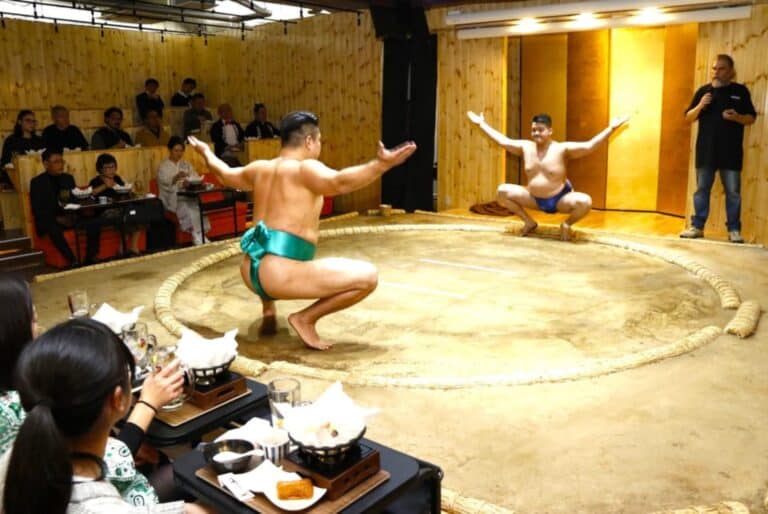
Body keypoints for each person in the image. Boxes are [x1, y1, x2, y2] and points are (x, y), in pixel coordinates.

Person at [188, 111, 416, 350]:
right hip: (279, 275)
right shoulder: (305, 169)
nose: (319, 146)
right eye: (319, 141)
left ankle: (268, 305)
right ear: (309, 141)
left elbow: (224, 174)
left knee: (269, 240)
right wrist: (381, 165)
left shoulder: (260, 168)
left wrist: (205, 152)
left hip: (249, 272)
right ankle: (305, 319)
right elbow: (340, 182)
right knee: (367, 277)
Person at [0, 274, 189, 507]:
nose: (40, 330)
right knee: (189, 474)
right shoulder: (11, 409)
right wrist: (147, 405)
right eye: (34, 320)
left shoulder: (19, 451)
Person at [467, 111, 629, 241]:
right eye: (533, 130)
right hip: (534, 198)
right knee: (502, 191)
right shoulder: (525, 147)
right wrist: (482, 124)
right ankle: (529, 222)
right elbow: (503, 141)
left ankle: (566, 225)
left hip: (560, 200)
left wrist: (611, 128)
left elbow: (589, 146)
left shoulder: (562, 149)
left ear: (550, 131)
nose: (536, 133)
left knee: (585, 201)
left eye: (540, 130)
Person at [680, 54, 757, 243]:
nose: (716, 72)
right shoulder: (703, 92)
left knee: (733, 193)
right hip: (706, 152)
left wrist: (736, 117)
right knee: (701, 190)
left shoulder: (740, 91)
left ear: (731, 71)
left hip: (730, 154)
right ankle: (697, 227)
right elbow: (688, 117)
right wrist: (700, 105)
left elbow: (751, 118)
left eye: (721, 69)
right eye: (714, 68)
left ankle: (734, 230)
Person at [30, 148, 101, 267]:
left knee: (94, 222)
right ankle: (73, 260)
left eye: (61, 161)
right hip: (50, 219)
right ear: (46, 164)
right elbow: (38, 210)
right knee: (53, 228)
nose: (60, 165)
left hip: (70, 215)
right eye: (56, 162)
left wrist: (74, 213)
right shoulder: (37, 182)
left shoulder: (68, 178)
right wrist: (57, 218)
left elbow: (74, 200)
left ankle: (90, 257)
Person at [157, 136, 210, 245]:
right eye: (176, 150)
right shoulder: (164, 166)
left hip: (187, 195)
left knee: (197, 205)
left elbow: (194, 177)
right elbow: (164, 184)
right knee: (186, 207)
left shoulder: (186, 164)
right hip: (171, 198)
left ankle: (199, 234)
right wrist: (176, 178)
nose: (179, 153)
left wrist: (189, 182)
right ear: (170, 150)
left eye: (181, 151)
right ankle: (197, 235)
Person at [88, 153, 141, 256]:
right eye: (107, 167)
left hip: (120, 208)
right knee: (125, 215)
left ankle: (133, 248)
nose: (111, 170)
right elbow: (90, 194)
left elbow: (123, 190)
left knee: (135, 213)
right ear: (100, 169)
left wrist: (128, 191)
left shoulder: (117, 178)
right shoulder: (95, 181)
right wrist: (105, 186)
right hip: (103, 212)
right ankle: (122, 249)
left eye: (112, 167)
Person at [0, 110, 46, 185]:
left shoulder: (39, 141)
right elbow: (5, 162)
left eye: (33, 121)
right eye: (28, 120)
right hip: (17, 177)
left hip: (37, 176)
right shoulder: (11, 141)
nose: (31, 123)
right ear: (19, 122)